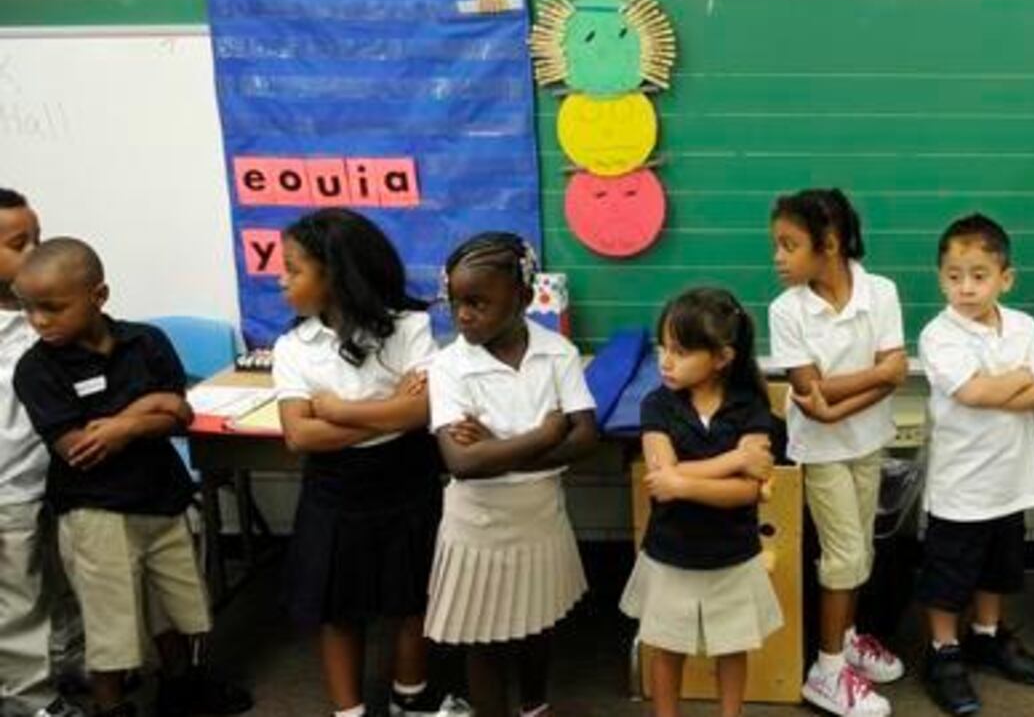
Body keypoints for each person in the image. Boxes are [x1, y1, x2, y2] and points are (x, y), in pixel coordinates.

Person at [12, 238, 250, 717]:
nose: (38, 321)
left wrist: (123, 425)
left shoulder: (146, 342)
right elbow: (79, 448)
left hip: (160, 497)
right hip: (95, 511)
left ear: (99, 296)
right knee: (111, 624)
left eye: (52, 308)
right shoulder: (36, 368)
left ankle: (182, 688)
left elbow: (179, 412)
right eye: (29, 309)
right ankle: (111, 706)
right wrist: (146, 411)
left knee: (177, 607)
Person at [269, 208, 458, 717]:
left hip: (407, 477)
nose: (280, 279)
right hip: (336, 490)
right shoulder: (293, 346)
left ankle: (409, 694)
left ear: (336, 275)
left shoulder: (409, 327)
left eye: (292, 268)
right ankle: (348, 710)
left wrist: (341, 411)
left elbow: (423, 411)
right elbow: (299, 434)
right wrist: (389, 410)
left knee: (414, 596)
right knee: (338, 607)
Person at [427, 233, 599, 717]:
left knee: (537, 624)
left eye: (478, 302)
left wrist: (496, 448)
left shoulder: (557, 352)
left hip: (539, 515)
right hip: (478, 524)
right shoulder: (448, 365)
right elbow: (462, 464)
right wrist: (544, 436)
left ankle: (533, 705)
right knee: (482, 636)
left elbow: (585, 439)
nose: (463, 315)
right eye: (456, 302)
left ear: (523, 299)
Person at [768, 189, 907, 716]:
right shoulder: (787, 310)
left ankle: (846, 640)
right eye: (777, 245)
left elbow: (848, 392)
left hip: (868, 441)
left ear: (829, 244)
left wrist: (837, 400)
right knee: (844, 556)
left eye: (789, 244)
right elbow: (811, 395)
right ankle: (826, 673)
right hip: (820, 452)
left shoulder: (882, 292)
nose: (778, 258)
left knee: (862, 553)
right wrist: (877, 374)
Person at [916, 214, 1034, 716]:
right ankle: (943, 651)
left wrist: (1009, 387)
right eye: (954, 276)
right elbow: (973, 393)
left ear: (1005, 278)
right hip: (961, 485)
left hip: (1011, 480)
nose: (966, 287)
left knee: (998, 569)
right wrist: (1020, 377)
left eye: (979, 275)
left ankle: (986, 636)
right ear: (941, 278)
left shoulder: (1023, 325)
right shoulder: (939, 334)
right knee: (949, 574)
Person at [621, 288, 784, 717]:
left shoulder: (750, 406)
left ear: (722, 358)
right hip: (671, 553)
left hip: (732, 553)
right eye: (663, 348)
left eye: (680, 350)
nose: (665, 360)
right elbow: (659, 478)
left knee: (731, 647)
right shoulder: (657, 404)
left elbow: (748, 490)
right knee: (668, 648)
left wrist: (683, 481)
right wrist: (734, 460)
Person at [0, 190, 86, 717]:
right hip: (9, 488)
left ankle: (68, 665)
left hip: (59, 476)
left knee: (64, 583)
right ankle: (28, 700)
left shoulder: (47, 318)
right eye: (18, 243)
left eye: (37, 237)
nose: (35, 251)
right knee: (19, 599)